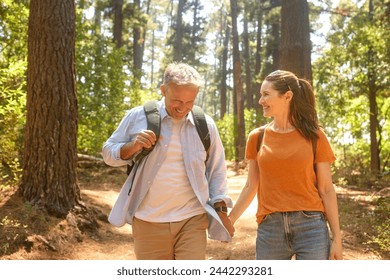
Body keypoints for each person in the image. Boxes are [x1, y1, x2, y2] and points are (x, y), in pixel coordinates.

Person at [102, 62, 234, 260]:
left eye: (190, 101)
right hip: (148, 221)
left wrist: (221, 211)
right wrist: (133, 146)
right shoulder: (138, 117)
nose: (183, 108)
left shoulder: (205, 125)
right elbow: (107, 154)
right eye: (177, 101)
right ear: (163, 90)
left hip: (192, 219)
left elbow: (216, 171)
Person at [229, 70, 343, 260]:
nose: (260, 100)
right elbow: (251, 186)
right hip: (270, 229)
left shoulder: (315, 136)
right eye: (260, 94)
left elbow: (326, 189)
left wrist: (337, 238)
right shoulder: (257, 137)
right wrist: (230, 220)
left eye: (266, 94)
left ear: (287, 96)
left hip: (311, 228)